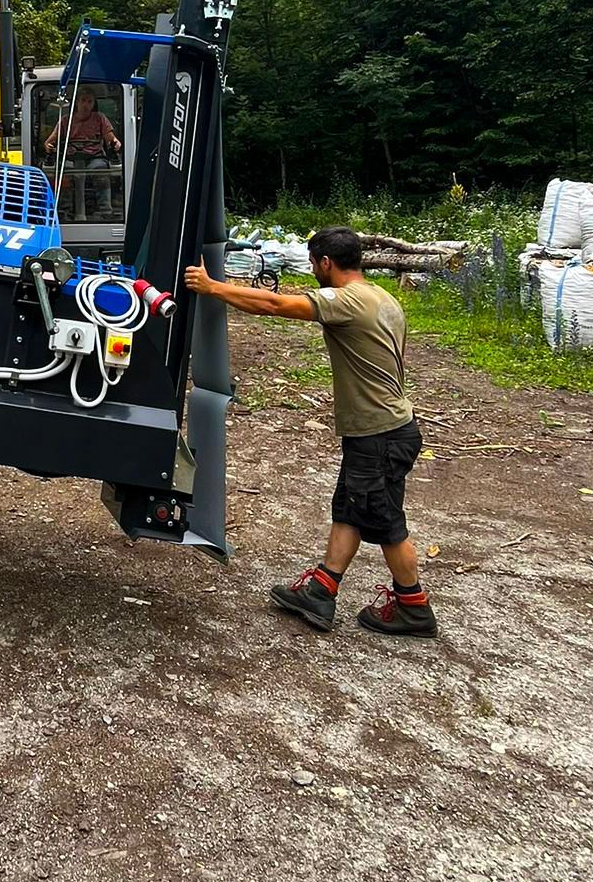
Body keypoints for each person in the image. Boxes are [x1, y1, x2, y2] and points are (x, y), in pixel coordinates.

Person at [183, 224, 435, 639]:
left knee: (386, 522)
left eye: (314, 264)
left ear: (325, 263)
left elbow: (275, 304)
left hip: (379, 435)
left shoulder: (348, 301)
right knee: (350, 510)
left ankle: (413, 606)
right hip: (385, 430)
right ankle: (322, 588)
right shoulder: (384, 299)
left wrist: (214, 288)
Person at [45, 86, 122, 221]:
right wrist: (49, 147)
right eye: (83, 100)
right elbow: (49, 142)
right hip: (70, 157)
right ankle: (64, 212)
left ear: (94, 104)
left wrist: (115, 142)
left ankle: (105, 211)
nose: (86, 105)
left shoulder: (100, 118)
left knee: (101, 171)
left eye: (90, 102)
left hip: (95, 157)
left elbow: (111, 138)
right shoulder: (65, 121)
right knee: (64, 173)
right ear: (76, 102)